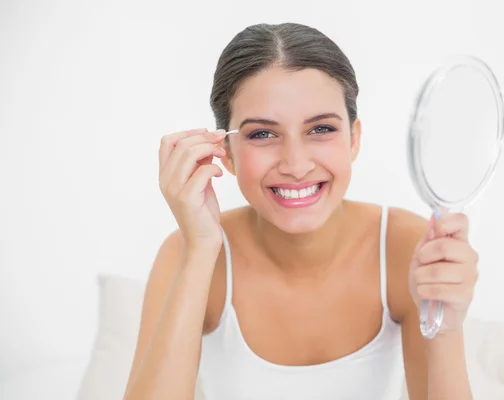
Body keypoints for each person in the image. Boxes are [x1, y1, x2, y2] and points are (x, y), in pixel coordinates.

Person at [123, 22, 479, 400]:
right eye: (262, 133)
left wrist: (446, 330)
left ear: (353, 139)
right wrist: (199, 250)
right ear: (225, 152)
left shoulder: (406, 246)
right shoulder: (188, 251)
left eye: (321, 129)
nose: (295, 164)